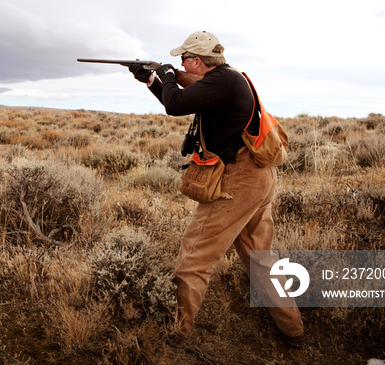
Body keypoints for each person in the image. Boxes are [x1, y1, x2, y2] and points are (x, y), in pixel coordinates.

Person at [128, 31, 305, 348]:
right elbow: (179, 97)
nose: (180, 63)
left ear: (196, 61)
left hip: (239, 181)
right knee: (260, 260)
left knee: (195, 257)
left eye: (183, 59)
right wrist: (153, 80)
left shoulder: (223, 81)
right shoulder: (227, 78)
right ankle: (293, 332)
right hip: (256, 178)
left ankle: (175, 334)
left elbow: (176, 103)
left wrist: (165, 74)